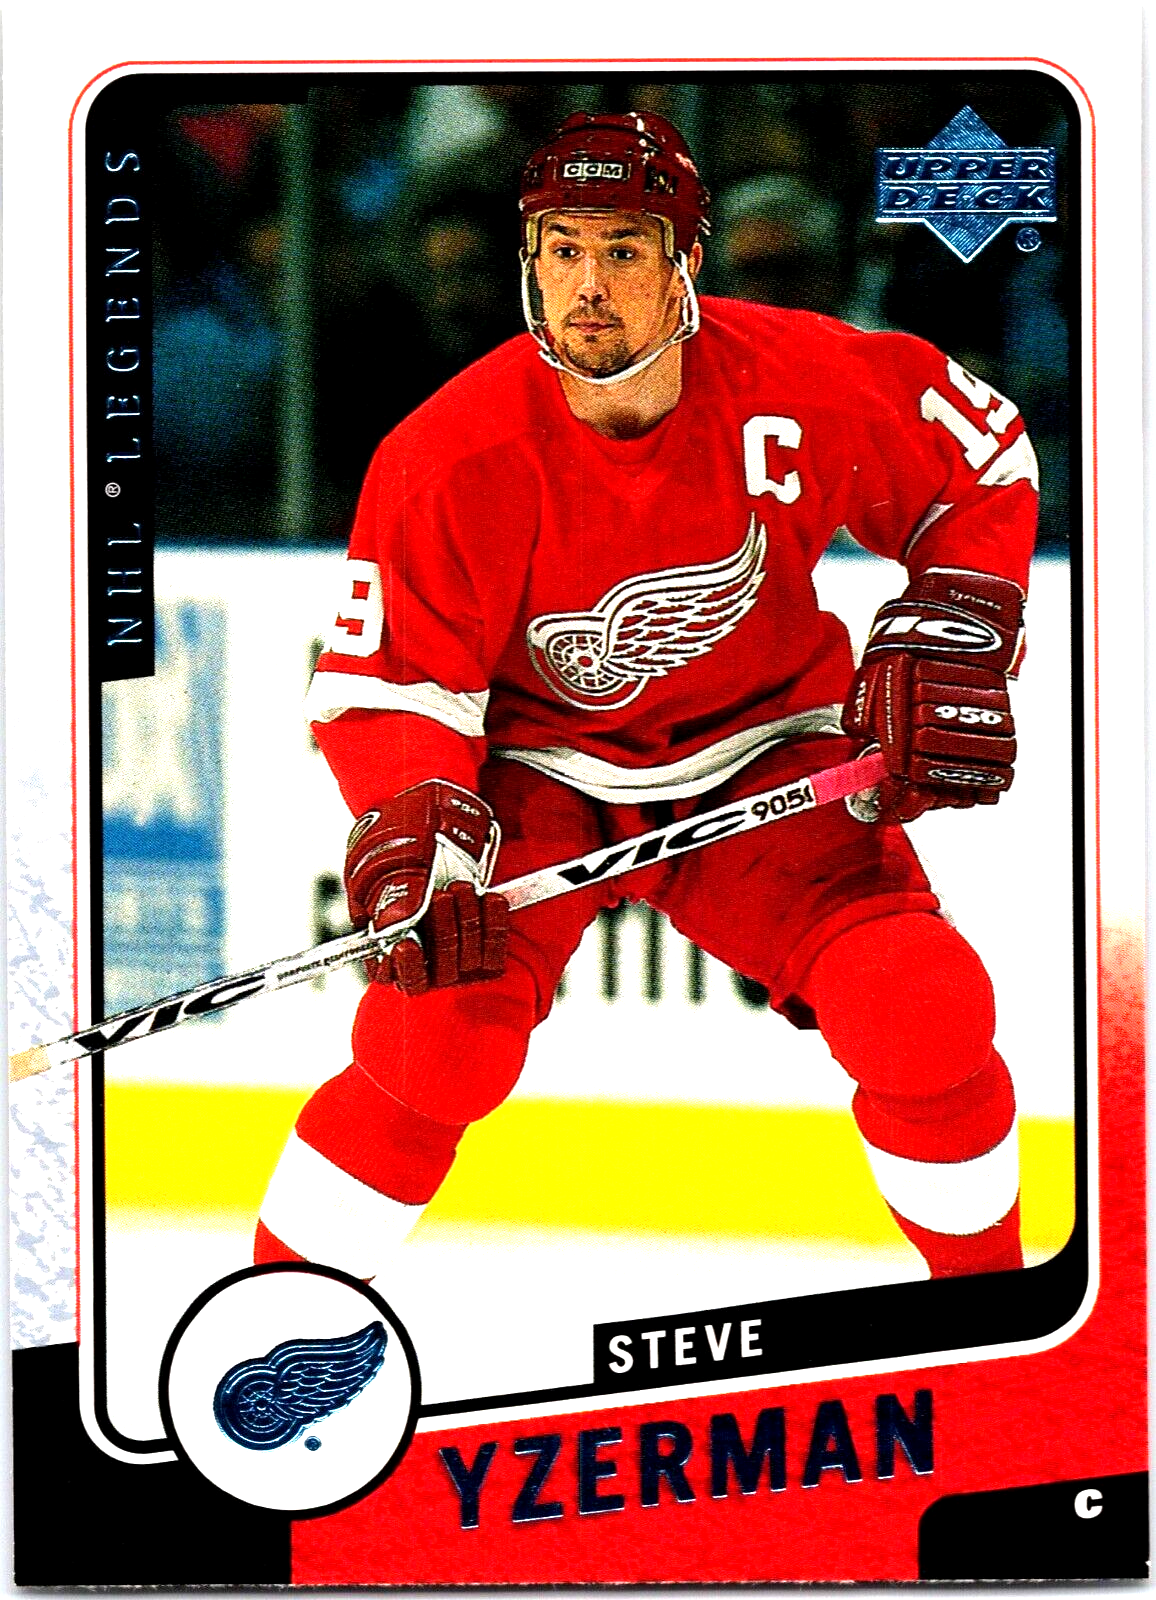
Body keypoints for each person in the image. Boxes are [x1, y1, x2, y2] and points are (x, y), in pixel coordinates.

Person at [255, 112, 1037, 1283]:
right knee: (435, 1043)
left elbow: (980, 458)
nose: (588, 285)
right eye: (562, 249)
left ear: (685, 264)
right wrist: (421, 829)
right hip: (535, 778)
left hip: (765, 747)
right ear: (529, 262)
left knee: (918, 1008)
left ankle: (989, 1321)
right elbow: (393, 686)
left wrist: (959, 616)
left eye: (622, 249)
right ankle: (271, 1329)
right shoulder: (447, 454)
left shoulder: (797, 377)